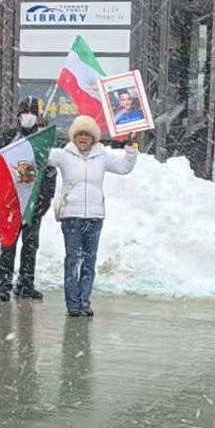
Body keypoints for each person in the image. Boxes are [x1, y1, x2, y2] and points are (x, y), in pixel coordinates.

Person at [49, 116, 138, 317]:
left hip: (94, 217)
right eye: (79, 134)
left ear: (94, 138)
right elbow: (39, 154)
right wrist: (36, 135)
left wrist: (131, 148)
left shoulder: (102, 156)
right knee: (73, 261)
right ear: (74, 136)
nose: (83, 138)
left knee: (89, 262)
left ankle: (84, 302)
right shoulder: (64, 155)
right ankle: (73, 304)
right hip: (71, 216)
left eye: (87, 134)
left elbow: (124, 167)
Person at [0, 97, 57, 301]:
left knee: (31, 245)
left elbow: (49, 173)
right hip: (12, 202)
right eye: (26, 112)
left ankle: (26, 283)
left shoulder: (42, 140)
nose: (28, 116)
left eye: (33, 113)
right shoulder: (8, 137)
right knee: (8, 245)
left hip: (34, 202)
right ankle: (4, 284)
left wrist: (44, 201)